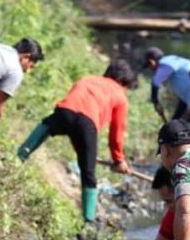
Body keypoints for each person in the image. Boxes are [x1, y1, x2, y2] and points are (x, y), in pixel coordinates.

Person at [17, 59, 135, 222]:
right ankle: (88, 219)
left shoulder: (87, 79)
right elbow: (116, 133)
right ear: (123, 82)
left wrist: (82, 149)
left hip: (64, 111)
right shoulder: (120, 96)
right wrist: (119, 160)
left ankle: (17, 158)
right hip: (87, 123)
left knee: (46, 125)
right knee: (88, 172)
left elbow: (74, 115)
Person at [144, 47, 190, 122]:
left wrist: (156, 103)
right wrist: (174, 120)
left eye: (148, 66)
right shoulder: (173, 61)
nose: (151, 69)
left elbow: (155, 82)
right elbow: (184, 100)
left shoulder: (165, 63)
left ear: (152, 62)